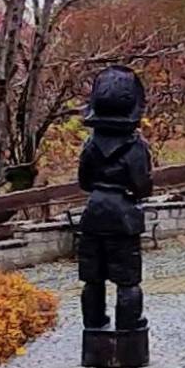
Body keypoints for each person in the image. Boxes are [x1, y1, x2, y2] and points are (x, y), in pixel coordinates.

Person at [77, 66, 153, 343]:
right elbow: (142, 186)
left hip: (94, 213)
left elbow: (84, 181)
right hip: (123, 216)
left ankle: (94, 328)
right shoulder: (136, 147)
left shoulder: (90, 145)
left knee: (92, 279)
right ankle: (129, 329)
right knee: (127, 280)